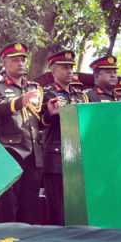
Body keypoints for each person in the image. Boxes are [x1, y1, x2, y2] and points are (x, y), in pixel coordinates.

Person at [0, 43, 43, 224]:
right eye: (15, 60)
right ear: (5, 63)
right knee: (8, 203)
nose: (20, 63)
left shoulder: (34, 87)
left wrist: (50, 111)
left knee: (31, 203)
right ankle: (5, 240)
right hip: (11, 151)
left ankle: (27, 241)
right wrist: (20, 101)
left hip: (33, 152)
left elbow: (40, 119)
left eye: (22, 59)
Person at [40, 50, 88, 225]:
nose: (69, 71)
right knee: (57, 207)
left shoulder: (80, 96)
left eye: (71, 67)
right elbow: (40, 122)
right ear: (53, 70)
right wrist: (50, 115)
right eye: (64, 67)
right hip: (56, 156)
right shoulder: (46, 94)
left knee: (77, 205)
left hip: (78, 155)